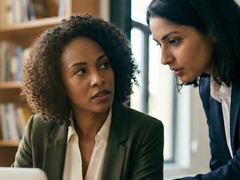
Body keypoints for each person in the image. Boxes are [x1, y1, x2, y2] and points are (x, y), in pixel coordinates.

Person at [146, 0, 240, 179]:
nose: (164, 59)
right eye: (159, 44)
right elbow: (220, 164)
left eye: (173, 41)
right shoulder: (208, 85)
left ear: (213, 31)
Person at [13, 14, 164, 180]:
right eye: (81, 71)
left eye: (104, 65)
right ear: (59, 84)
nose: (98, 79)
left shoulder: (145, 132)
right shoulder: (38, 129)